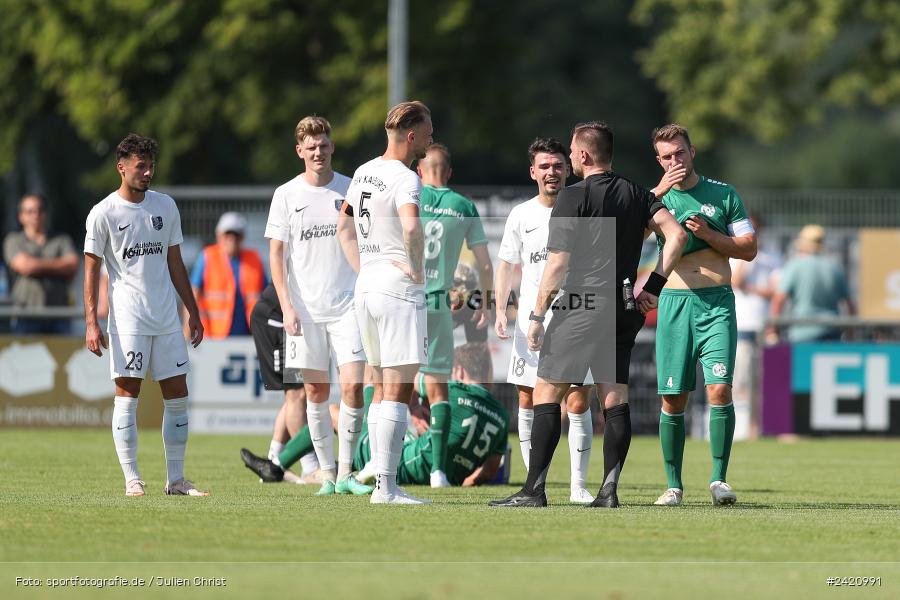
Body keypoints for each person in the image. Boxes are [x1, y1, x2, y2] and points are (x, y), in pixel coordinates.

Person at [490, 121, 686, 508]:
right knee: (614, 398)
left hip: (580, 305)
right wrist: (653, 287)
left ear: (582, 155)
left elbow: (557, 263)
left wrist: (537, 315)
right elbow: (677, 235)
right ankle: (608, 491)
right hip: (623, 306)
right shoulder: (636, 193)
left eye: (571, 154)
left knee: (546, 392)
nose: (569, 160)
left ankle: (533, 490)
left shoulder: (573, 196)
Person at [83, 133, 208, 497]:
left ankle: (177, 480)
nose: (149, 172)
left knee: (178, 394)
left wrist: (193, 311)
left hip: (167, 318)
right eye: (141, 166)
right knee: (128, 394)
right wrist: (91, 322)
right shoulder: (104, 213)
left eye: (151, 166)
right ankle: (132, 478)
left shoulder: (165, 206)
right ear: (121, 168)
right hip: (128, 319)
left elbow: (175, 263)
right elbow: (91, 269)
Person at [260, 115, 371, 496]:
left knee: (353, 386)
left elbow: (367, 239)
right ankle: (327, 475)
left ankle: (347, 473)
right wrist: (287, 307)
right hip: (305, 311)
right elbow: (276, 255)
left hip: (348, 306)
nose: (318, 152)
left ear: (332, 146)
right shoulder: (286, 194)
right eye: (311, 147)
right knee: (315, 392)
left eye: (323, 145)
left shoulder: (351, 188)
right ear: (299, 151)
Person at [649, 123, 757, 507]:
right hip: (674, 303)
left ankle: (718, 480)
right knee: (673, 398)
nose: (675, 161)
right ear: (658, 160)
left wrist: (711, 235)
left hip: (717, 304)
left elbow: (748, 248)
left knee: (720, 389)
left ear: (692, 152)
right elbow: (628, 236)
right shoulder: (654, 199)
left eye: (680, 152)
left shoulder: (723, 194)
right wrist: (655, 194)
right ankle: (673, 486)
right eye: (667, 156)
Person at [337, 100, 433, 505]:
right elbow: (411, 226)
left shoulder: (363, 171)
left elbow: (343, 225)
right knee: (397, 391)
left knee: (379, 388)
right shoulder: (406, 178)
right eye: (428, 132)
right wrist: (417, 269)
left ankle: (381, 478)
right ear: (411, 136)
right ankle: (386, 488)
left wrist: (366, 268)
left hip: (367, 288)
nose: (431, 138)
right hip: (396, 290)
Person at [493, 137, 597, 504]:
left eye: (557, 165)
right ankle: (534, 484)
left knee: (578, 400)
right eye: (544, 166)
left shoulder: (585, 208)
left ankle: (578, 487)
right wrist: (500, 309)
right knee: (528, 398)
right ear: (532, 172)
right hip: (531, 322)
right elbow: (506, 264)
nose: (551, 172)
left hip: (577, 317)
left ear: (568, 169)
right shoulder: (521, 214)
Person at [417, 142, 493, 488]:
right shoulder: (463, 206)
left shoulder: (410, 197)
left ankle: (376, 462)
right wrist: (487, 301)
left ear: (420, 171)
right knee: (438, 387)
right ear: (449, 172)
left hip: (404, 300)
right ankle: (437, 471)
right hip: (440, 304)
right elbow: (485, 264)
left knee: (386, 379)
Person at [355, 342, 508, 486]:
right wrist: (464, 484)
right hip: (447, 478)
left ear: (459, 371)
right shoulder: (502, 416)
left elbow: (409, 379)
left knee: (374, 381)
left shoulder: (453, 390)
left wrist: (414, 407)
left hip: (405, 465)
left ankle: (345, 463)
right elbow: (489, 471)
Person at [247, 282, 323, 484]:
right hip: (275, 321)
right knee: (296, 394)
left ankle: (272, 463)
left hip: (292, 322)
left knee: (297, 395)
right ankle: (310, 467)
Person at [730, 213, 781, 440]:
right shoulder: (732, 254)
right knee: (740, 379)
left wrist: (750, 288)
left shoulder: (772, 256)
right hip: (741, 324)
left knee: (762, 382)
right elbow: (735, 281)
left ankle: (755, 427)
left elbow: (775, 291)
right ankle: (740, 427)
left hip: (762, 324)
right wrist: (745, 256)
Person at [4, 193, 79, 334]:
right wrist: (59, 265)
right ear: (21, 216)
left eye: (40, 210)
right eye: (30, 211)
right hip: (25, 316)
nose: (36, 215)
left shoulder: (62, 239)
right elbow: (25, 267)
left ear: (46, 213)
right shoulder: (13, 240)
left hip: (59, 317)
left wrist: (34, 265)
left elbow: (73, 266)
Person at [769, 224, 854, 343]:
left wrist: (773, 331)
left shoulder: (794, 266)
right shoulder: (835, 268)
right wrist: (850, 334)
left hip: (802, 334)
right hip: (832, 332)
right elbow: (850, 304)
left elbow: (778, 301)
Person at [190, 211, 266, 338]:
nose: (232, 239)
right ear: (219, 236)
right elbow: (193, 293)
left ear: (242, 237)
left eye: (236, 235)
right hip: (214, 336)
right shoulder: (207, 257)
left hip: (249, 335)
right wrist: (188, 331)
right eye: (228, 234)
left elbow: (266, 294)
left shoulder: (255, 259)